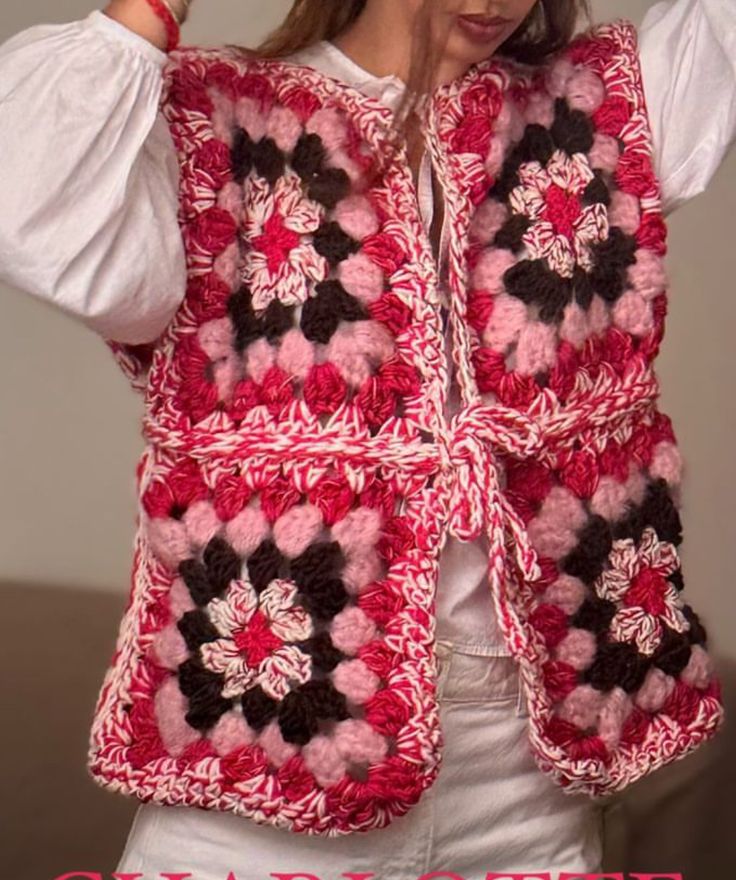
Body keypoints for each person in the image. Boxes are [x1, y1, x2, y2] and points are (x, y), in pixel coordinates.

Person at [0, 1, 734, 878]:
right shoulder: (218, 133)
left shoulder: (598, 112)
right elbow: (24, 195)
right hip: (271, 784)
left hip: (527, 798)